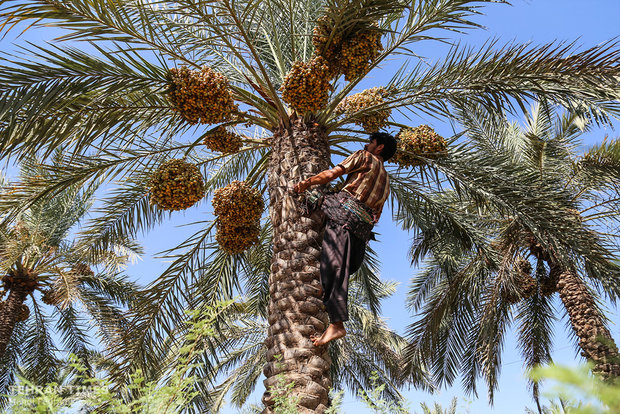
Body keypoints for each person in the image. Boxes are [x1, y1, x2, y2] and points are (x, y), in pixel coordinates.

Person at [293, 132, 397, 346]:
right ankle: (325, 286)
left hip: (345, 215)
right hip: (363, 227)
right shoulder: (386, 180)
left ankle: (337, 324)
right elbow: (377, 213)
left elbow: (333, 173)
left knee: (334, 264)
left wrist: (307, 183)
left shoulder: (364, 156)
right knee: (343, 266)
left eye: (372, 142)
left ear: (380, 148)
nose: (367, 145)